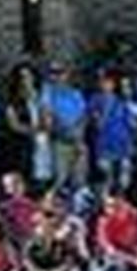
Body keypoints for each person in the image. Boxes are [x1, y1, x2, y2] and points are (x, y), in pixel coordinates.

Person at [23, 191, 89, 271]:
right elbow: (28, 258)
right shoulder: (37, 230)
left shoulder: (73, 224)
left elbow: (76, 254)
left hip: (70, 265)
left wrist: (60, 236)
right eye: (51, 204)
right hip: (45, 269)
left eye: (57, 205)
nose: (54, 208)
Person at [41, 62, 89, 190]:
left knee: (79, 178)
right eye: (53, 73)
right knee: (60, 178)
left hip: (77, 139)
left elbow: (83, 116)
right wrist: (63, 129)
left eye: (60, 73)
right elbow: (47, 116)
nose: (57, 76)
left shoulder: (75, 93)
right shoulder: (47, 92)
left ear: (67, 75)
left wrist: (78, 136)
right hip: (59, 140)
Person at [89, 67, 137, 192]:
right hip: (105, 144)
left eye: (108, 81)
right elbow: (98, 123)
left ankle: (121, 202)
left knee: (124, 179)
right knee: (106, 177)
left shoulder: (122, 101)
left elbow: (131, 123)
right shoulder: (96, 99)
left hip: (123, 144)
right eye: (102, 81)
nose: (104, 84)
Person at [92, 187, 137, 271]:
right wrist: (134, 260)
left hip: (134, 253)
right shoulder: (103, 223)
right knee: (117, 268)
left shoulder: (134, 215)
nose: (111, 209)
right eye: (109, 206)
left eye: (116, 205)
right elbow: (111, 250)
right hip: (115, 258)